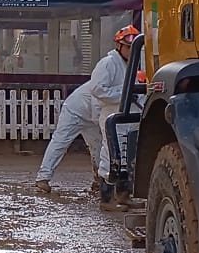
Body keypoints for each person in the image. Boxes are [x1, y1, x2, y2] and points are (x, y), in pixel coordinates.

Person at [36, 25, 139, 194]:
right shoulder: (108, 64)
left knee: (99, 148)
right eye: (128, 47)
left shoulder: (127, 67)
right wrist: (122, 96)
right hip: (76, 111)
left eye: (132, 48)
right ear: (119, 46)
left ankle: (99, 181)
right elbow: (98, 91)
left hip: (95, 115)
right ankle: (43, 178)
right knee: (60, 143)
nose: (130, 51)